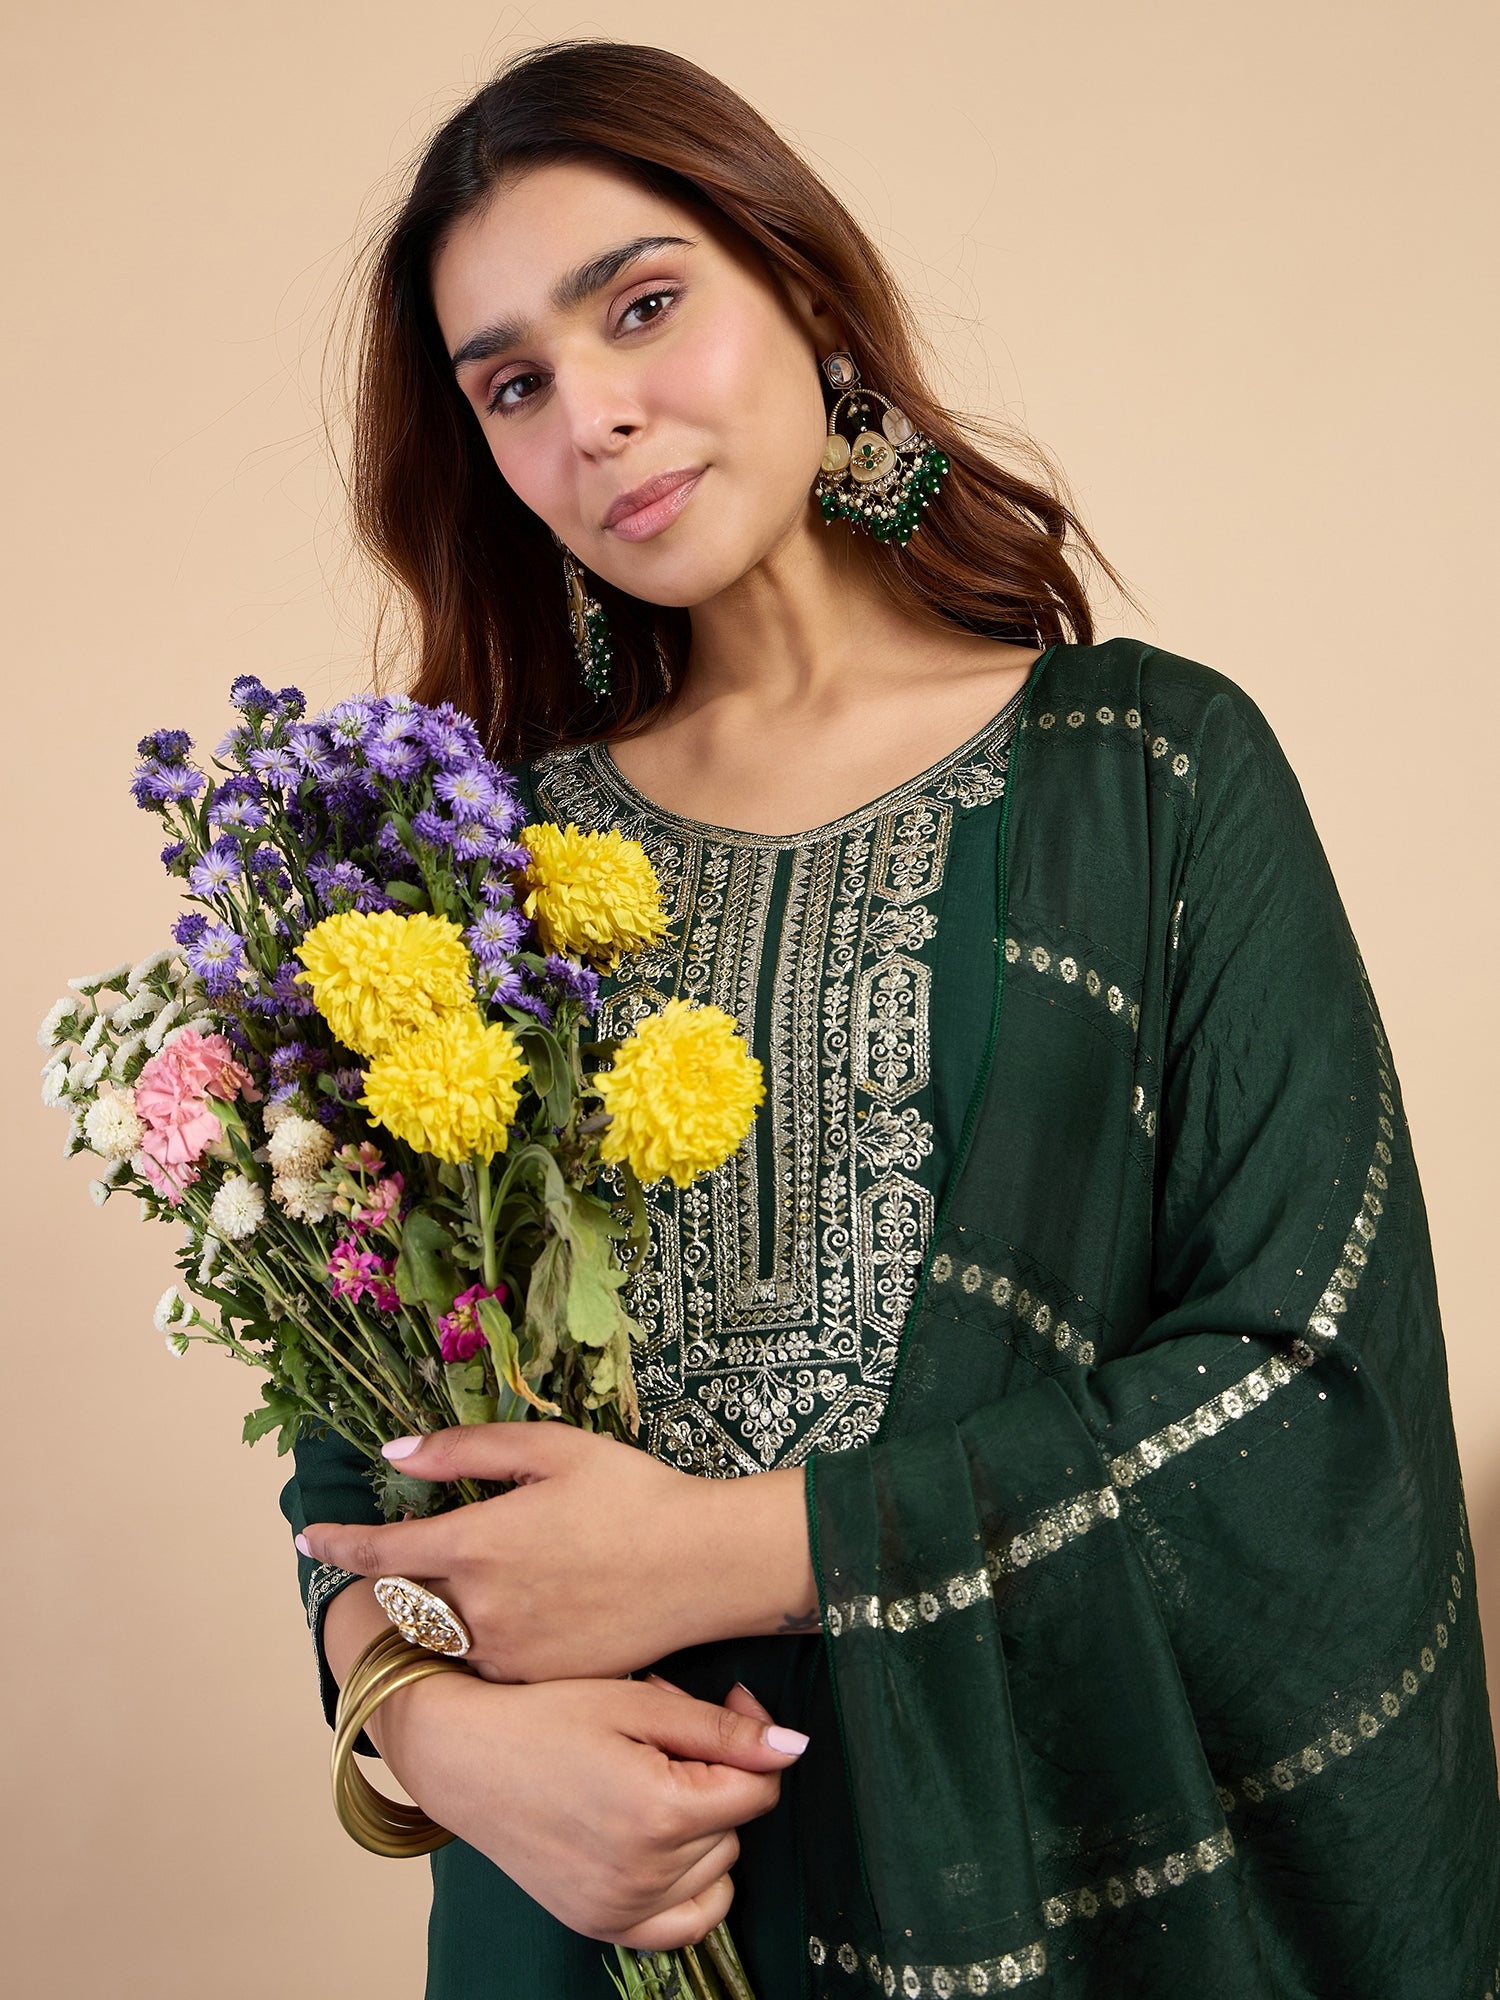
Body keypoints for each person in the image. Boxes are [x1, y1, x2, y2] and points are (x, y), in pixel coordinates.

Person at [280, 36, 1500, 2000]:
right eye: (512, 384)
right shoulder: (474, 870)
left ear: (810, 297)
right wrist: (430, 1740)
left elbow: (1306, 1386)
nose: (593, 414)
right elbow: (362, 1447)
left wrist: (741, 1546)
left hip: (1044, 1894)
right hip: (584, 1919)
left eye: (643, 306)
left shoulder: (1151, 773)